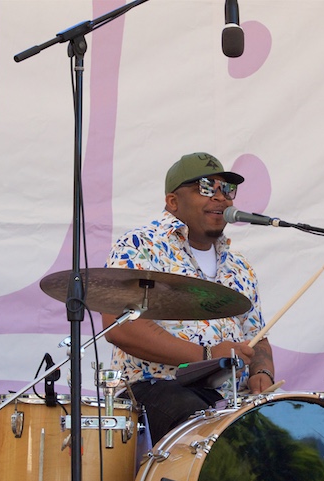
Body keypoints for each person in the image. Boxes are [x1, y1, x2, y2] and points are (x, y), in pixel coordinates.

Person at [102, 152, 275, 445]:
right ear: (173, 202)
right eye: (206, 188)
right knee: (200, 424)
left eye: (227, 189)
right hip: (156, 389)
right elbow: (120, 326)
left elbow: (257, 338)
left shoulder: (239, 266)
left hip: (228, 399)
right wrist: (207, 358)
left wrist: (262, 372)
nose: (221, 198)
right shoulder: (140, 245)